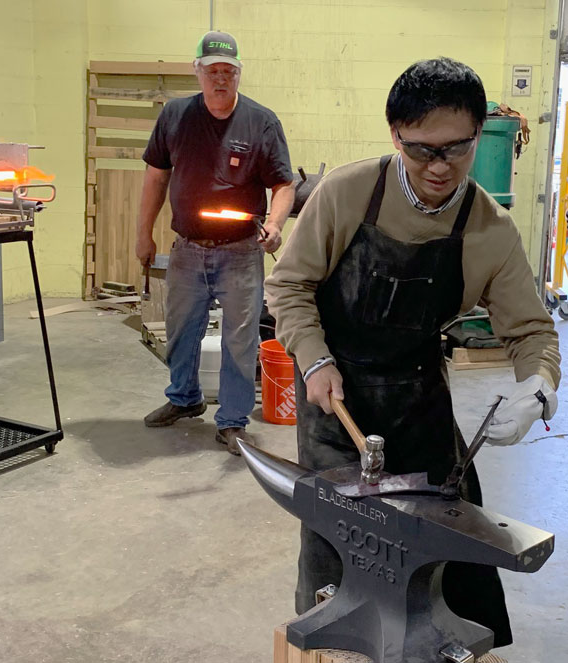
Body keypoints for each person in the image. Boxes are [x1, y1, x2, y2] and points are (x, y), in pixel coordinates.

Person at [264, 57, 560, 649]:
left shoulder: (490, 229)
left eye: (458, 148)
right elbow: (288, 286)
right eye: (422, 150)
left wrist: (538, 390)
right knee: (340, 547)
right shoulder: (346, 194)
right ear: (394, 132)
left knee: (447, 542)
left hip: (419, 397)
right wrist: (315, 358)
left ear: (478, 135)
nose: (440, 167)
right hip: (335, 393)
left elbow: (532, 332)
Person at [137, 30, 295, 454]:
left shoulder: (261, 122)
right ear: (198, 71)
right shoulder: (175, 115)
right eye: (212, 71)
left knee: (240, 340)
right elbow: (155, 176)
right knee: (180, 331)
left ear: (239, 74)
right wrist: (143, 233)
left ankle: (232, 420)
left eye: (228, 71)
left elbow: (284, 184)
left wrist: (276, 224)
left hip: (241, 251)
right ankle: (184, 399)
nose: (220, 79)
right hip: (187, 247)